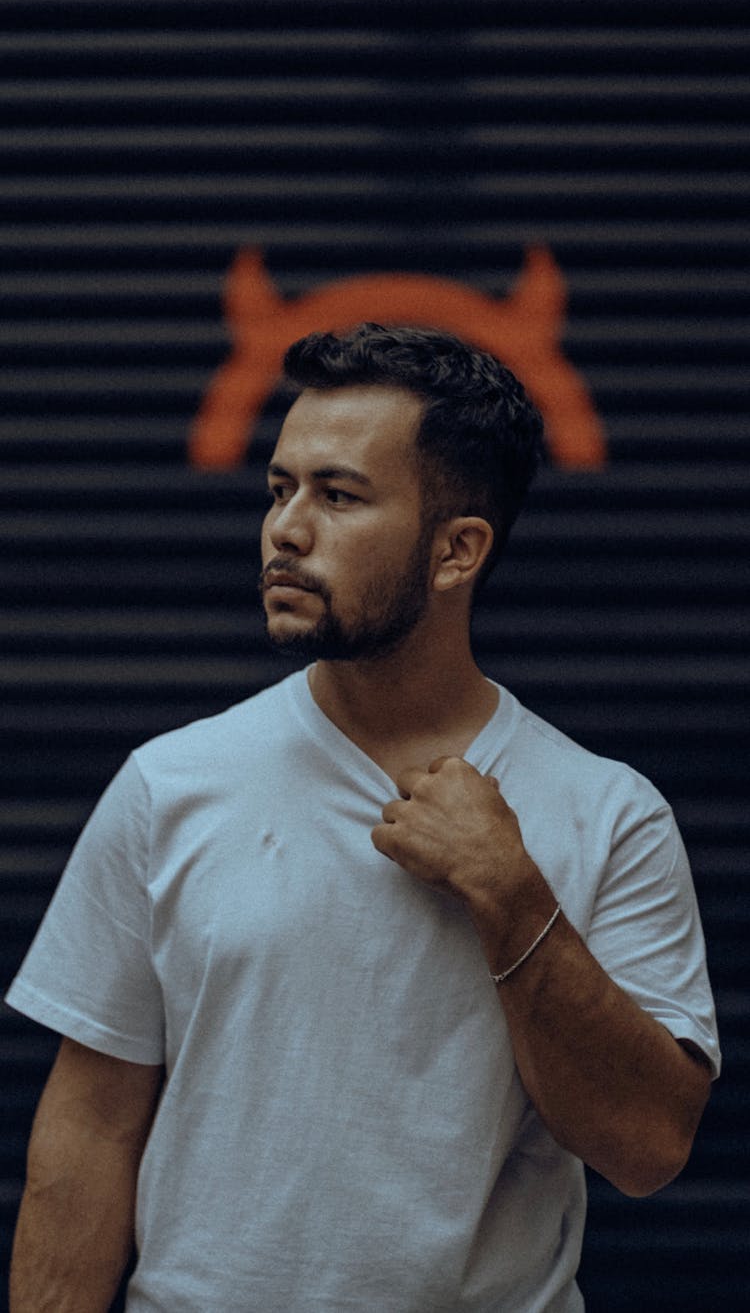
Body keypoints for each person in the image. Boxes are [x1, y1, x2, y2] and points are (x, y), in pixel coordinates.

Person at [7, 323, 719, 1312]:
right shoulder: (170, 785)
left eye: (337, 496)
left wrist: (511, 895)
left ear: (457, 549)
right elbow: (88, 1135)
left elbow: (647, 1148)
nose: (285, 529)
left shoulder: (608, 813)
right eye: (279, 489)